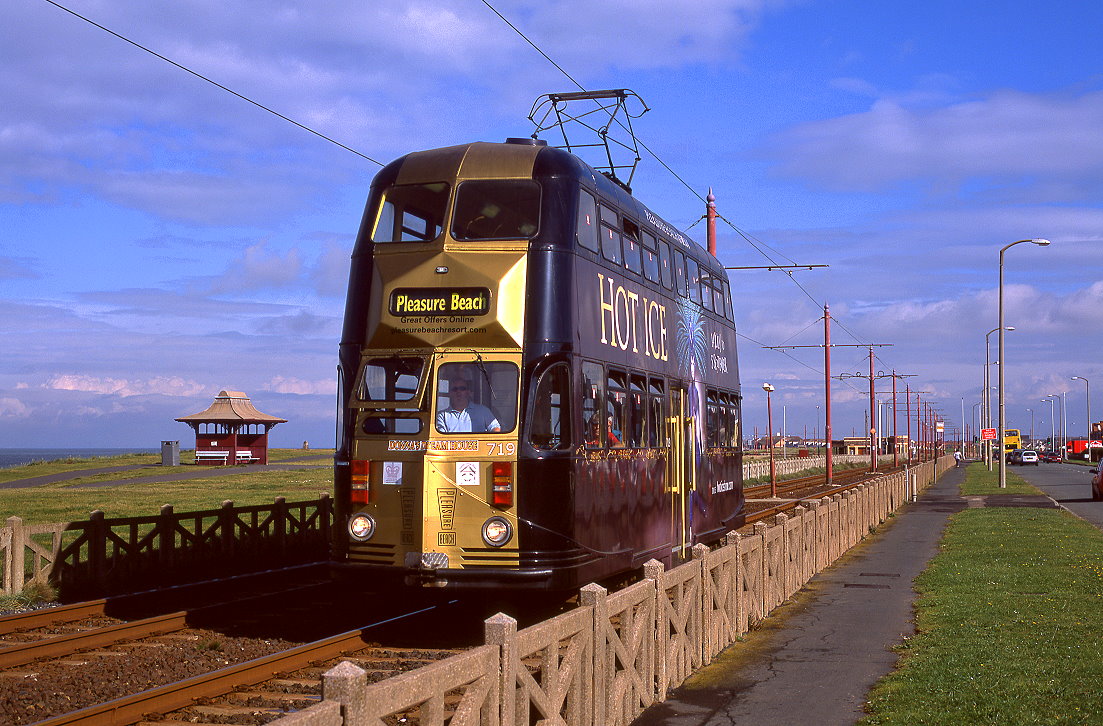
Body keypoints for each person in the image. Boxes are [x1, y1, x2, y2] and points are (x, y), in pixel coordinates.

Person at [436, 375, 500, 433]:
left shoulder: (482, 411)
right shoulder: (442, 416)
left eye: (462, 389)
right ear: (450, 393)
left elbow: (495, 428)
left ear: (468, 392)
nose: (458, 392)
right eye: (454, 389)